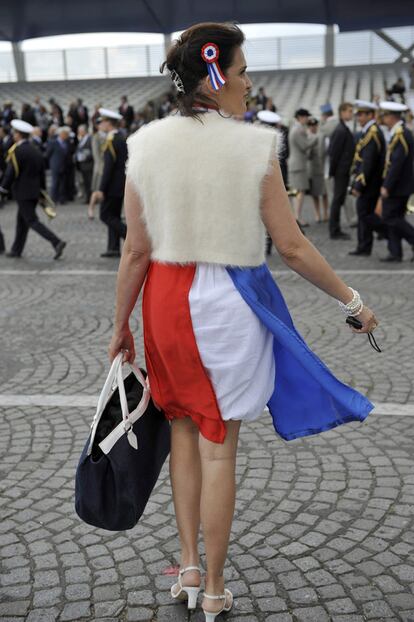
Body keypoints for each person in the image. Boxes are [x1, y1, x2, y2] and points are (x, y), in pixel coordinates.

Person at [106, 22, 378, 621]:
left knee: (180, 429)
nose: (249, 82)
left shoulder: (145, 145)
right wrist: (351, 301)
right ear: (215, 76)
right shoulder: (255, 147)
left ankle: (189, 564)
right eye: (243, 70)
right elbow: (293, 246)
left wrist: (120, 324)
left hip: (168, 305)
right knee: (219, 448)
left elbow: (135, 251)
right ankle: (214, 588)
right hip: (227, 303)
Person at [0, 119, 66, 259]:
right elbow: (41, 173)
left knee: (31, 221)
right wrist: (42, 191)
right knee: (21, 222)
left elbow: (11, 172)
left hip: (23, 192)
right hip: (34, 192)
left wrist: (3, 188)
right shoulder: (35, 150)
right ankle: (16, 250)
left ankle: (56, 241)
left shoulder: (17, 151)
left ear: (18, 135)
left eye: (15, 133)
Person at [349, 100, 388, 256]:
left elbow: (369, 162)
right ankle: (364, 246)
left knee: (365, 214)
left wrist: (359, 185)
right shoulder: (369, 131)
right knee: (363, 214)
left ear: (370, 115)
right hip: (368, 181)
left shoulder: (372, 132)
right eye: (358, 115)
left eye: (362, 115)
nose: (359, 118)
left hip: (370, 182)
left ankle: (390, 230)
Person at [378, 101, 414, 262]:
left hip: (399, 186)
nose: (383, 118)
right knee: (394, 217)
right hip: (400, 185)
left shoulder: (400, 134)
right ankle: (395, 252)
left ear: (391, 117)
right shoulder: (399, 132)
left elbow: (397, 163)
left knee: (390, 217)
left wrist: (387, 185)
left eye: (385, 115)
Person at [90, 108, 127, 257]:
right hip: (120, 184)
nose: (100, 124)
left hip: (112, 185)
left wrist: (101, 189)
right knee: (114, 215)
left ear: (108, 123)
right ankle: (113, 248)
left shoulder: (111, 140)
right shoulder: (121, 137)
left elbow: (108, 168)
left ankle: (130, 236)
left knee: (105, 215)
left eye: (102, 121)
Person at [328, 102, 355, 239]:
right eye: (349, 111)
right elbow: (334, 153)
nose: (352, 113)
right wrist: (333, 172)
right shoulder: (340, 130)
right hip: (340, 172)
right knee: (337, 200)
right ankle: (334, 230)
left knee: (339, 199)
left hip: (342, 171)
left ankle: (335, 228)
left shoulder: (343, 128)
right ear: (342, 112)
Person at [288, 108, 312, 227]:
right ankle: (297, 217)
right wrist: (314, 137)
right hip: (298, 165)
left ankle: (295, 216)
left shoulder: (295, 128)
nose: (307, 119)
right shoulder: (298, 129)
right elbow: (305, 145)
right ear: (301, 117)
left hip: (295, 164)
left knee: (295, 192)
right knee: (299, 192)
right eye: (306, 117)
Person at [307, 117, 329, 223]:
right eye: (311, 126)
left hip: (322, 166)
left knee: (324, 192)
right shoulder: (307, 136)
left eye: (314, 125)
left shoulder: (321, 136)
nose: (312, 127)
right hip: (312, 167)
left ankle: (325, 212)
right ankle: (317, 213)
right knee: (315, 192)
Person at [46, 126, 72, 204]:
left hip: (64, 166)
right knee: (55, 182)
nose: (67, 136)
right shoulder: (53, 142)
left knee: (62, 183)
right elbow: (48, 154)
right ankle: (53, 199)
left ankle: (62, 199)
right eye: (66, 134)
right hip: (55, 166)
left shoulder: (67, 142)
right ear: (61, 134)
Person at [75, 124, 94, 204]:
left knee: (89, 183)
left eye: (80, 131)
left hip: (88, 164)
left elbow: (92, 151)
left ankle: (90, 199)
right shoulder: (81, 139)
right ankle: (88, 198)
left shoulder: (89, 139)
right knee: (85, 183)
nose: (79, 132)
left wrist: (84, 156)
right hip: (82, 165)